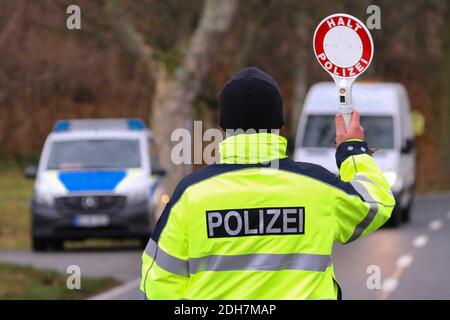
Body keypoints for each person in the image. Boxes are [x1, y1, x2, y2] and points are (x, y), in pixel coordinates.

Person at [140, 67, 395, 300]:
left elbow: (158, 285)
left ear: (222, 126)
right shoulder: (318, 188)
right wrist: (352, 151)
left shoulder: (191, 195)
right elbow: (377, 202)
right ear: (280, 125)